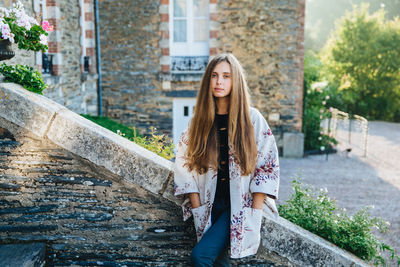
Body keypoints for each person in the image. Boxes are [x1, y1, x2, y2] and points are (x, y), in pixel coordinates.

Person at [174, 53, 280, 267]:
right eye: (214, 76)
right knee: (219, 262)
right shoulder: (199, 122)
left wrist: (254, 212)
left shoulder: (252, 120)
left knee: (200, 257)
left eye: (226, 76)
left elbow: (267, 166)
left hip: (239, 206)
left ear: (236, 81)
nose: (219, 82)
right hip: (209, 204)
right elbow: (184, 163)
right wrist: (197, 206)